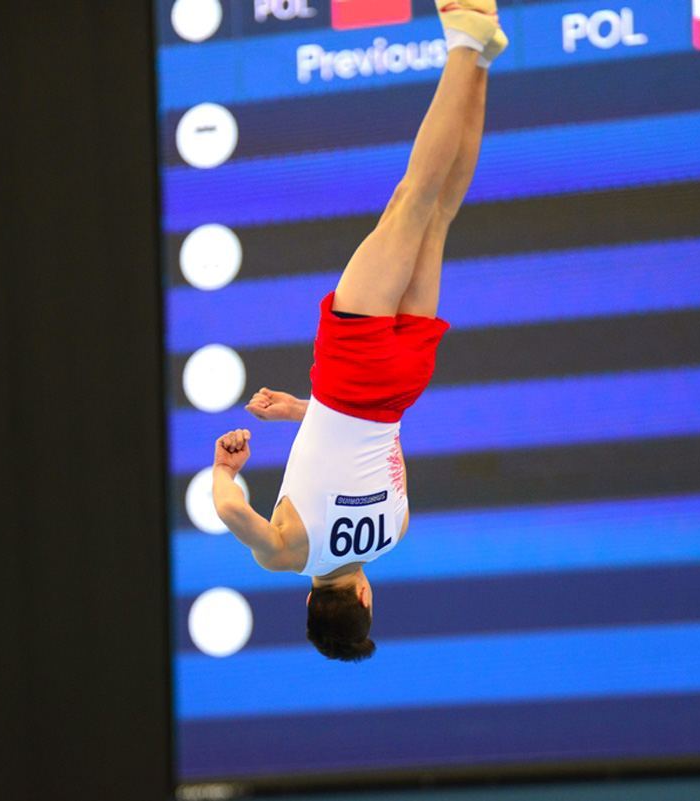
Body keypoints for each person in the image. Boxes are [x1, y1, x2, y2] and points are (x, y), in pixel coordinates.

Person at [211, 0, 508, 662]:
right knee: (410, 200)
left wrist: (299, 412)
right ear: (310, 601)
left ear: (366, 598)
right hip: (352, 371)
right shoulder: (289, 552)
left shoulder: (394, 533)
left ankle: (481, 61)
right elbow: (232, 513)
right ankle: (463, 43)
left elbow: (366, 448)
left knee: (440, 215)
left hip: (401, 384)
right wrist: (224, 469)